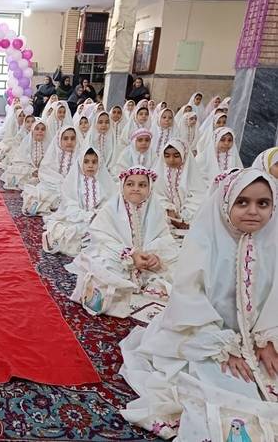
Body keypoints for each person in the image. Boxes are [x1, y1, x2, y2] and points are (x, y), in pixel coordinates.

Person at [119, 169, 278, 439]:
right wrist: (221, 346)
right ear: (226, 203)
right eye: (242, 202)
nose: (253, 211)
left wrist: (269, 339)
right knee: (231, 392)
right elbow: (189, 299)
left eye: (263, 203)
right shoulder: (205, 242)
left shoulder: (272, 242)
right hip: (203, 335)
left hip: (255, 340)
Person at [66, 165, 177, 318]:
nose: (136, 189)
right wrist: (130, 254)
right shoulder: (111, 209)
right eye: (130, 184)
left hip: (145, 262)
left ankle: (141, 282)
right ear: (122, 187)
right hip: (118, 258)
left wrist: (154, 256)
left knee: (178, 267)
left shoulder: (156, 209)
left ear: (150, 188)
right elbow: (101, 237)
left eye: (142, 185)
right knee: (102, 266)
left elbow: (164, 238)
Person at [42, 147, 115, 256]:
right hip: (77, 219)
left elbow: (109, 203)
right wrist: (87, 216)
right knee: (73, 230)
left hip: (97, 219)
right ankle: (59, 240)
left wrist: (98, 214)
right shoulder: (73, 182)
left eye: (94, 162)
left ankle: (81, 243)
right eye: (86, 162)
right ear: (80, 162)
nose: (90, 165)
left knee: (108, 233)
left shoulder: (104, 182)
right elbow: (70, 205)